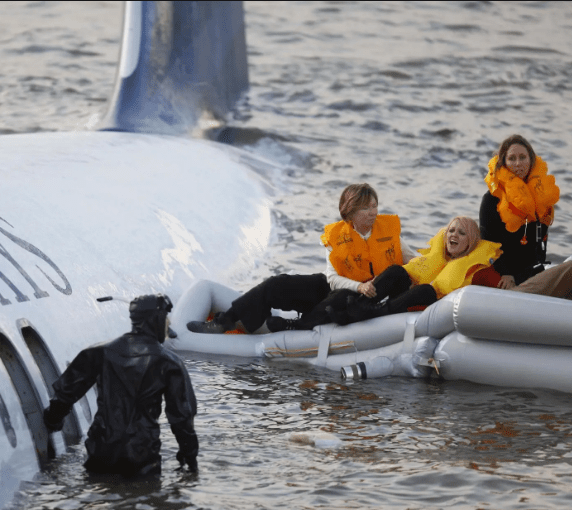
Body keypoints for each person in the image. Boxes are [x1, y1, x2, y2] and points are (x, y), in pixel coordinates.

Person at [187, 183, 417, 333]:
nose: (373, 212)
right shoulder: (336, 237)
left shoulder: (389, 234)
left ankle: (296, 325)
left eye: (374, 206)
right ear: (349, 212)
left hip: (363, 299)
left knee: (340, 298)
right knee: (278, 284)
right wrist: (358, 286)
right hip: (343, 286)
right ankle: (225, 321)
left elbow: (414, 261)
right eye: (365, 208)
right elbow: (332, 278)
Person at [42, 294, 198, 477]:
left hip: (100, 451)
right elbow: (182, 417)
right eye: (165, 318)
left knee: (98, 487)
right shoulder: (170, 363)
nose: (168, 325)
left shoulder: (97, 352)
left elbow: (64, 395)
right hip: (141, 455)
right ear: (156, 320)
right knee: (143, 492)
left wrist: (53, 421)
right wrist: (189, 457)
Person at [331, 216, 501, 324]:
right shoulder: (440, 257)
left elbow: (502, 290)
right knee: (397, 271)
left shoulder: (479, 269)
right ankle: (359, 306)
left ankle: (374, 312)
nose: (454, 235)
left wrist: (509, 279)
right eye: (451, 230)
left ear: (471, 241)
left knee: (426, 290)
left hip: (432, 308)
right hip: (405, 300)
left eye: (462, 233)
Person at [479, 134, 560, 288]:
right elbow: (488, 241)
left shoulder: (540, 198)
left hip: (531, 273)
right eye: (512, 158)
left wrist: (538, 271)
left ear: (531, 161)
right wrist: (506, 273)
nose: (518, 163)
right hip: (501, 274)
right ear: (504, 162)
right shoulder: (491, 199)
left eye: (523, 157)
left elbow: (541, 243)